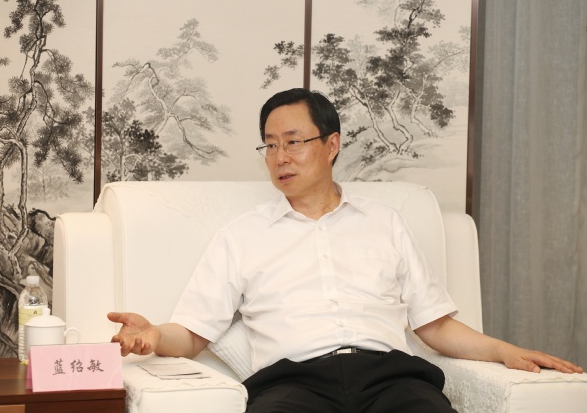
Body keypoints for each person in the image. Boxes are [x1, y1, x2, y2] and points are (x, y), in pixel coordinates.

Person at [108, 88, 583, 412]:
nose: (280, 158)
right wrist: (153, 335)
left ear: (331, 144)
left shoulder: (385, 223)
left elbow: (434, 324)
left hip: (392, 381)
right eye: (270, 146)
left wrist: (505, 351)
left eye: (294, 142)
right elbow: (193, 334)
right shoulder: (242, 236)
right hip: (292, 386)